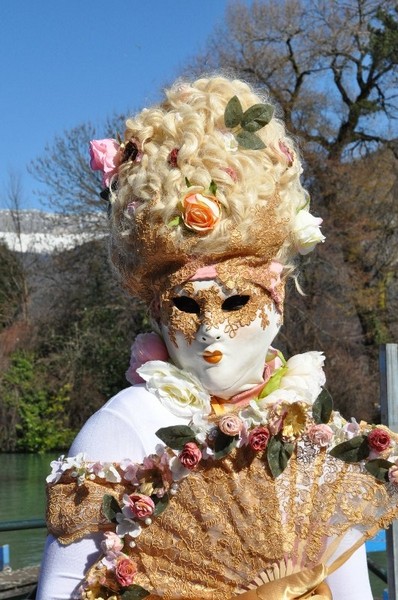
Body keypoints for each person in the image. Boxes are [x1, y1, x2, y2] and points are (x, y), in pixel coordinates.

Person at [36, 76, 398, 600]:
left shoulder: (312, 422)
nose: (210, 328)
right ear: (158, 317)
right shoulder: (125, 426)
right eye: (185, 305)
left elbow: (349, 587)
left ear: (276, 306)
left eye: (235, 302)